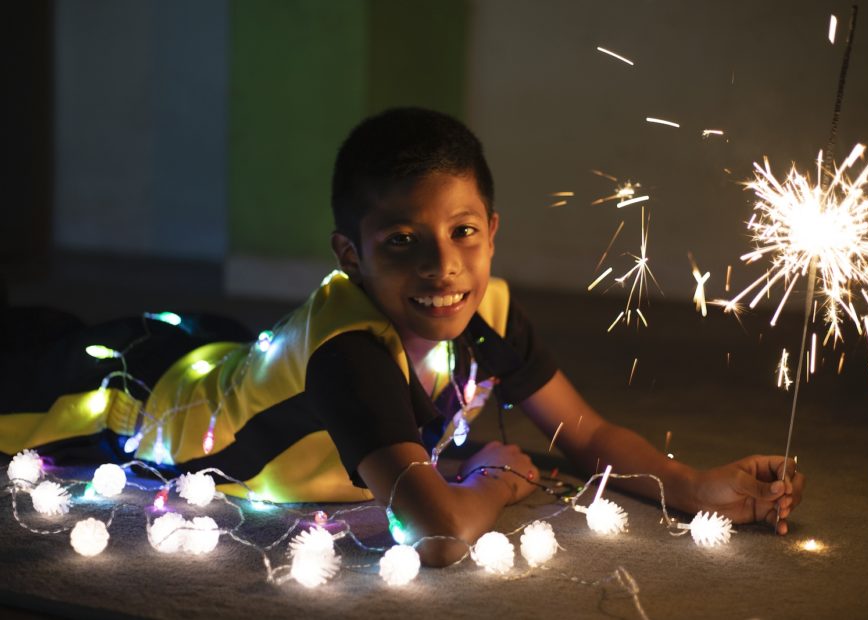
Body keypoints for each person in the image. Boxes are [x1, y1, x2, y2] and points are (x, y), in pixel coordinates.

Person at [0, 108, 803, 567]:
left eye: (462, 234)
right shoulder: (350, 353)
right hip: (130, 398)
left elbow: (584, 431)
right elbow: (440, 533)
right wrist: (491, 480)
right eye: (402, 243)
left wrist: (696, 486)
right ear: (350, 255)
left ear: (491, 231)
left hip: (227, 357)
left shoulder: (484, 308)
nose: (442, 268)